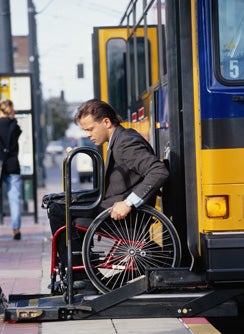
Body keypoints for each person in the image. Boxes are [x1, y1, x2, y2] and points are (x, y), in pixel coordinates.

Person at [48, 99, 169, 287]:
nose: (88, 135)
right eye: (85, 131)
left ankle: (80, 276)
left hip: (123, 215)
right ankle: (77, 269)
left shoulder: (126, 142)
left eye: (90, 129)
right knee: (56, 202)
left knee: (58, 211)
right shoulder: (118, 140)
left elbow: (158, 171)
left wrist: (129, 203)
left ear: (106, 122)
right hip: (110, 204)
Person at [0, 99, 22, 240]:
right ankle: (16, 229)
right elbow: (18, 133)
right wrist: (12, 118)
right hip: (13, 164)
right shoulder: (14, 125)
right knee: (14, 199)